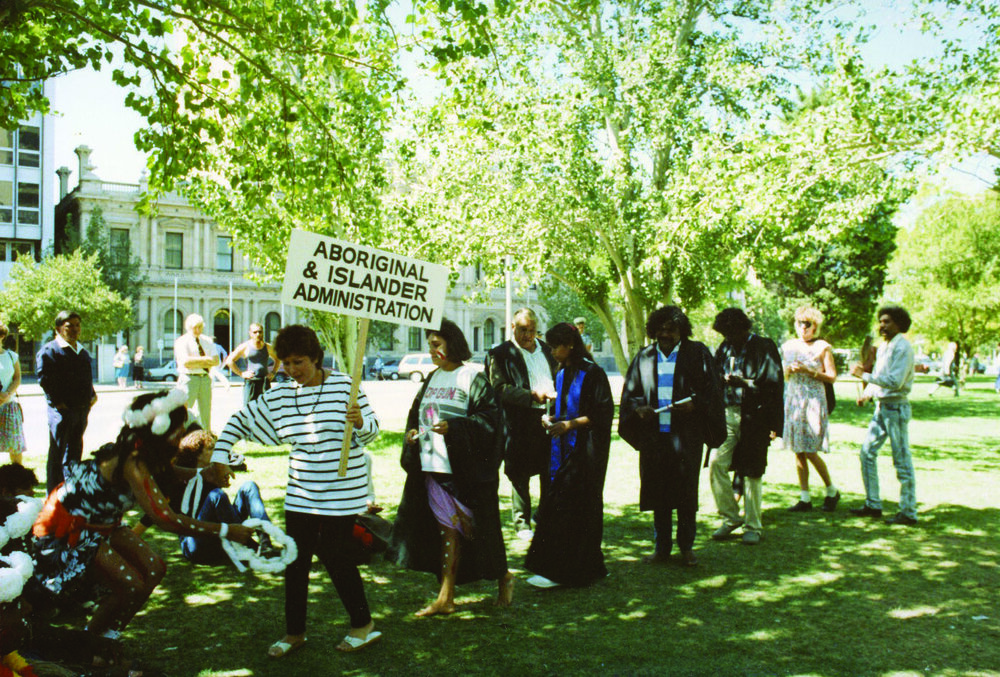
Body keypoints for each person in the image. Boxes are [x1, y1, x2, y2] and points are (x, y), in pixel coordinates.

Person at [210, 324, 382, 657]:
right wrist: (220, 454)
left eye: (299, 362)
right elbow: (240, 420)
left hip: (341, 490)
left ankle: (363, 625)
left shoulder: (348, 386)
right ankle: (294, 633)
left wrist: (360, 421)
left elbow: (372, 432)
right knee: (295, 558)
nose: (292, 370)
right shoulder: (281, 394)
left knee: (335, 555)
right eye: (286, 363)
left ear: (317, 358)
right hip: (301, 489)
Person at [31, 390, 253, 642]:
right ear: (159, 429)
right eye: (179, 427)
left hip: (103, 524)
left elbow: (169, 472)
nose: (183, 433)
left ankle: (106, 637)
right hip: (70, 527)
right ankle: (91, 643)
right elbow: (164, 518)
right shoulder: (133, 461)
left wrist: (206, 474)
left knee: (155, 568)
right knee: (131, 584)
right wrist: (225, 529)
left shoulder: (143, 452)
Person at [388, 319, 514, 614]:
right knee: (449, 530)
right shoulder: (431, 378)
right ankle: (446, 596)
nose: (431, 350)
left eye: (436, 345)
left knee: (474, 530)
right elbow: (417, 415)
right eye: (429, 344)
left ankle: (502, 577)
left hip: (464, 471)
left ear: (452, 345)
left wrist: (455, 428)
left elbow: (490, 421)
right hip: (434, 468)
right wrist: (412, 434)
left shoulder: (472, 378)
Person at [619, 306, 725, 567]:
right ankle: (661, 547)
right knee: (658, 492)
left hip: (686, 437)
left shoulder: (697, 353)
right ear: (653, 330)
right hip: (656, 438)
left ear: (682, 331)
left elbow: (713, 389)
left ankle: (686, 547)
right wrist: (637, 409)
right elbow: (629, 395)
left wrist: (695, 404)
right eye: (661, 329)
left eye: (671, 329)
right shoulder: (644, 357)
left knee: (686, 493)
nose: (665, 334)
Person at [524, 322, 613, 586]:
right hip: (564, 449)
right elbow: (566, 410)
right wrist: (553, 419)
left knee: (582, 507)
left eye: (555, 346)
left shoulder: (593, 373)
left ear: (570, 345)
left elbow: (602, 414)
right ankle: (566, 568)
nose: (551, 352)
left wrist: (569, 425)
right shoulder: (562, 372)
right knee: (561, 505)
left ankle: (577, 570)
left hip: (587, 451)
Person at [708, 308, 784, 546]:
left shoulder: (764, 346)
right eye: (725, 334)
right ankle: (731, 518)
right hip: (728, 413)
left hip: (755, 415)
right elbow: (713, 374)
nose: (728, 338)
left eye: (731, 333)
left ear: (743, 328)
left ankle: (753, 526)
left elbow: (774, 383)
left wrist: (746, 383)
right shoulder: (725, 348)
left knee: (752, 471)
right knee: (716, 463)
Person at [487, 307, 557, 540]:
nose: (528, 335)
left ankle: (543, 515)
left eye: (533, 330)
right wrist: (531, 396)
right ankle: (522, 522)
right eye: (524, 330)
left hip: (550, 419)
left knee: (550, 470)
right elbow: (499, 389)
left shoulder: (548, 350)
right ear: (513, 328)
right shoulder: (500, 353)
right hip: (518, 422)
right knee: (520, 474)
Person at [849, 306, 918, 526]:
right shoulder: (885, 347)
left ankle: (908, 511)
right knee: (867, 452)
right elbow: (879, 378)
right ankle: (873, 504)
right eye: (880, 321)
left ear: (899, 323)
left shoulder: (903, 348)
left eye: (887, 321)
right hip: (882, 407)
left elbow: (894, 382)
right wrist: (867, 394)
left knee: (901, 460)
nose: (882, 326)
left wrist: (864, 375)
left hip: (896, 409)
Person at [172, 430, 274, 565]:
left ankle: (265, 543)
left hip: (219, 537)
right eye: (211, 449)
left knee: (249, 487)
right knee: (216, 495)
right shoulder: (186, 477)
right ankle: (249, 545)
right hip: (195, 542)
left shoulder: (214, 472)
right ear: (197, 455)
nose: (217, 452)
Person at [782, 307, 840, 512]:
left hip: (813, 400)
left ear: (815, 326)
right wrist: (789, 370)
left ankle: (831, 490)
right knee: (798, 449)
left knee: (810, 450)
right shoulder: (789, 346)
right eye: (800, 323)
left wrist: (810, 371)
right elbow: (785, 376)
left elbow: (832, 376)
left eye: (808, 324)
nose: (803, 327)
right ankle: (804, 497)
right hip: (795, 400)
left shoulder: (822, 347)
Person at [36, 311, 97, 493]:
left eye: (77, 325)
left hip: (81, 410)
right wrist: (58, 404)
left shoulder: (82, 351)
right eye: (69, 326)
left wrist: (92, 396)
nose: (75, 329)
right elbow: (44, 379)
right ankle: (54, 494)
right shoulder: (50, 351)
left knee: (75, 451)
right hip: (62, 412)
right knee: (57, 453)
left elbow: (86, 378)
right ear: (58, 329)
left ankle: (71, 490)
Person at [174, 314, 218, 431]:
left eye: (200, 327)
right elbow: (186, 362)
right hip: (189, 378)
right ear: (188, 327)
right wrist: (205, 360)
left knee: (205, 411)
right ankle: (180, 435)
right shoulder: (182, 341)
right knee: (184, 409)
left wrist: (196, 362)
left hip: (205, 378)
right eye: (195, 327)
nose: (198, 330)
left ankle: (206, 436)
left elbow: (215, 360)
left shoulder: (208, 341)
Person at [223, 323, 278, 404]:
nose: (258, 334)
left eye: (260, 332)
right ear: (250, 333)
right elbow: (229, 361)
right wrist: (241, 373)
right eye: (255, 332)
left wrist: (273, 372)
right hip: (251, 383)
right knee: (249, 410)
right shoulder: (245, 346)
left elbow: (278, 359)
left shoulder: (267, 347)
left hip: (264, 382)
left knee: (266, 409)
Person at [0, 323, 26, 466]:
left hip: (9, 404)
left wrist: (7, 393)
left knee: (15, 445)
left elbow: (17, 378)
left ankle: (17, 480)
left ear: (2, 336)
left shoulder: (11, 356)